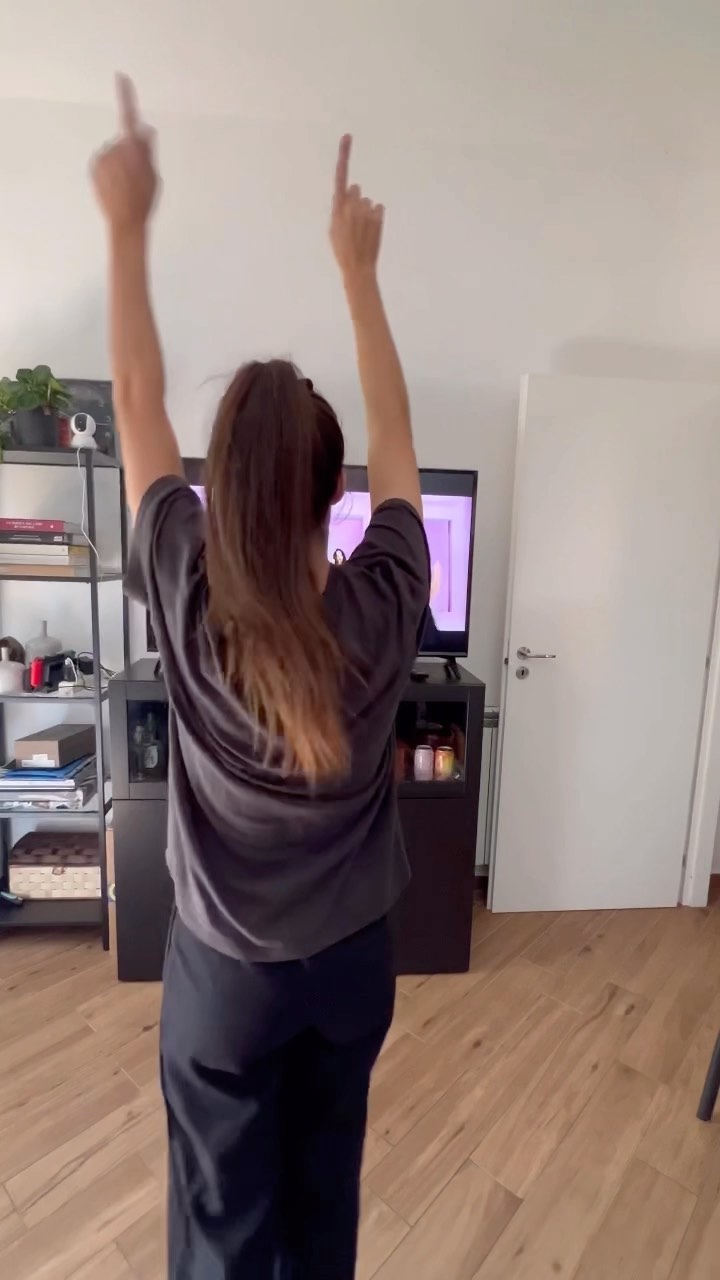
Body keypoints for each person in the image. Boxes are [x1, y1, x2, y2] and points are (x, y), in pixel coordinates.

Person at [92, 75, 429, 1279]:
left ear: (215, 489)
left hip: (225, 982)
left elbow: (134, 397)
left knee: (222, 1228)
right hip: (351, 972)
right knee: (322, 1205)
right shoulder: (388, 601)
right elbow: (399, 436)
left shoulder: (183, 587)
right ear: (337, 497)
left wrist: (127, 225)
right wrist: (359, 273)